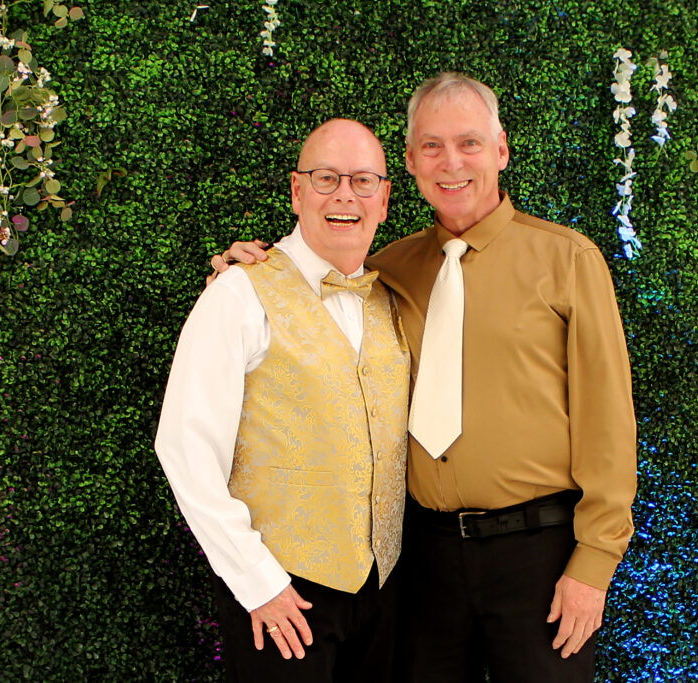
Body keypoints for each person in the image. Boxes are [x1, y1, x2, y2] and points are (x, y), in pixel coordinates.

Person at [211, 73, 637, 682]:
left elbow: (608, 424)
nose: (451, 162)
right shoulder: (386, 270)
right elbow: (313, 284)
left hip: (539, 556)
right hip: (422, 563)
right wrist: (245, 271)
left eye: (469, 143)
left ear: (501, 151)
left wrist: (593, 564)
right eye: (431, 146)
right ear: (409, 163)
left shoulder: (568, 260)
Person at [156, 118, 410, 683]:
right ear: (297, 191)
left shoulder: (394, 297)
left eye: (363, 180)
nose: (345, 195)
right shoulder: (238, 291)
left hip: (384, 591)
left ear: (384, 198)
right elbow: (185, 446)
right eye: (326, 178)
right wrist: (257, 582)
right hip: (282, 593)